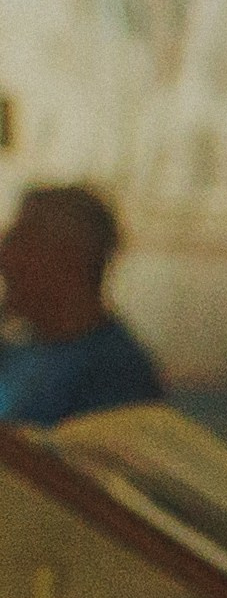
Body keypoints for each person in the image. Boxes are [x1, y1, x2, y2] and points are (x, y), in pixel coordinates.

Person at [0, 182, 164, 425]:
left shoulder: (116, 372)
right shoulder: (16, 353)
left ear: (70, 259)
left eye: (23, 243)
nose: (5, 258)